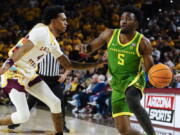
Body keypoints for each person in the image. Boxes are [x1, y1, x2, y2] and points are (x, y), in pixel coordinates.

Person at [0, 5, 102, 135]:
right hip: (14, 72)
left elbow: (68, 64)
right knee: (23, 116)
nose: (66, 23)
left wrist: (95, 64)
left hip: (30, 74)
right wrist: (8, 63)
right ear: (53, 21)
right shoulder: (41, 31)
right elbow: (23, 48)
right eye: (63, 20)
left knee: (55, 102)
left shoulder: (53, 42)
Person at [81, 6, 156, 135]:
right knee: (124, 130)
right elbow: (90, 48)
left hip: (134, 80)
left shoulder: (143, 42)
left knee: (132, 99)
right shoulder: (109, 34)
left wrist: (160, 75)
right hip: (116, 84)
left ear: (136, 24)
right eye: (122, 19)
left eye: (128, 19)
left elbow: (151, 70)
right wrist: (84, 48)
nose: (123, 21)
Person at [8, 53, 70, 133]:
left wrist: (64, 75)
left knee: (60, 102)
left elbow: (69, 66)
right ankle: (18, 121)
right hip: (41, 79)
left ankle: (62, 125)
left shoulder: (60, 53)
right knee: (30, 101)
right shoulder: (40, 51)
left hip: (55, 81)